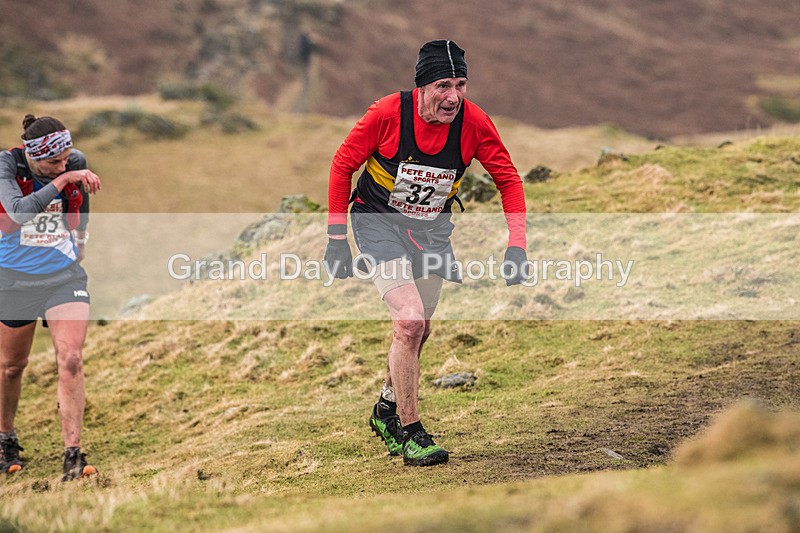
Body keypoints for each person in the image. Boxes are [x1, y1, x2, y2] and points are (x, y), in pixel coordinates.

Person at [324, 40, 528, 466]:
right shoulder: (386, 114)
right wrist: (336, 238)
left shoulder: (474, 123)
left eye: (460, 84)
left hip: (431, 233)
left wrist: (517, 245)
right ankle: (412, 433)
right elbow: (343, 165)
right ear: (421, 87)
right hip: (377, 222)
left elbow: (509, 180)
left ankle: (385, 408)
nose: (453, 96)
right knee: (409, 321)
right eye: (442, 85)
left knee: (421, 330)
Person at [0, 114, 102, 481]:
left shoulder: (73, 162)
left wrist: (82, 238)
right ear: (33, 156)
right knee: (13, 367)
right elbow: (20, 212)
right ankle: (6, 440)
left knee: (71, 358)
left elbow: (82, 202)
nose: (65, 165)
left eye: (67, 159)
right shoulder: (6, 166)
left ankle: (73, 455)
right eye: (54, 162)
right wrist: (63, 180)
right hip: (13, 279)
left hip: (62, 276)